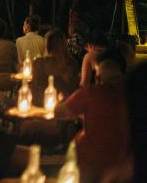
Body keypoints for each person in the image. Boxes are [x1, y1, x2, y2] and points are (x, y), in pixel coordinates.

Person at [55, 48, 129, 183]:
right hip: (125, 164)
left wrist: (60, 100)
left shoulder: (90, 93)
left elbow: (60, 112)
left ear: (98, 77)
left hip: (90, 162)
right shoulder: (135, 96)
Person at [31, 29, 79, 106]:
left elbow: (34, 90)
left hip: (41, 106)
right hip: (65, 107)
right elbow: (74, 90)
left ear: (47, 45)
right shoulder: (72, 63)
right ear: (64, 44)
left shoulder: (38, 63)